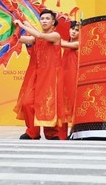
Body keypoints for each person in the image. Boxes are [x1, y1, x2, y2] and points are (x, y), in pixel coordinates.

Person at [13, 9, 66, 140]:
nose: (44, 21)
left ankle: (52, 133)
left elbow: (40, 36)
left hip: (51, 75)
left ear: (53, 22)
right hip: (36, 74)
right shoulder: (35, 38)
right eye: (42, 19)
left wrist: (22, 25)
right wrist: (7, 33)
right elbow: (20, 39)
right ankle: (32, 132)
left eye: (47, 18)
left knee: (48, 104)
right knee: (27, 103)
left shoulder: (55, 36)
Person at [59, 20, 80, 138]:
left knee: (73, 105)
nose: (74, 32)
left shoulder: (78, 44)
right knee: (63, 106)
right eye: (72, 29)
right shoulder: (66, 44)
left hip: (74, 79)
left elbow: (62, 43)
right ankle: (62, 135)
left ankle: (74, 133)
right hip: (63, 79)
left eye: (77, 30)